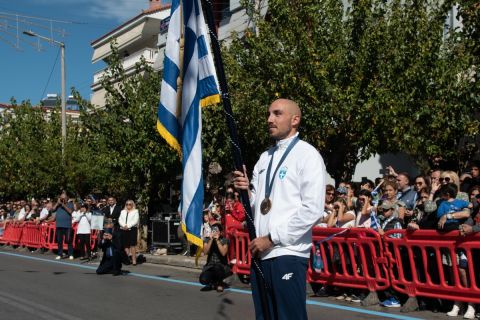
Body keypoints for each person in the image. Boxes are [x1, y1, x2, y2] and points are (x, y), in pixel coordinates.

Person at [234, 99, 326, 320]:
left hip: (288, 253)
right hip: (261, 254)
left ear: (295, 120)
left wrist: (272, 238)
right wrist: (246, 192)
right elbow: (258, 206)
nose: (269, 119)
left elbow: (313, 210)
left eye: (277, 114)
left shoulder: (307, 155)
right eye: (269, 114)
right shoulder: (264, 158)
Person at [199, 223, 230, 292]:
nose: (214, 232)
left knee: (217, 268)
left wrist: (217, 240)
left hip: (222, 265)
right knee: (203, 280)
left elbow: (223, 253)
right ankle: (213, 282)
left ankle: (220, 283)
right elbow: (205, 252)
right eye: (213, 230)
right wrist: (211, 240)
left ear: (221, 232)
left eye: (216, 230)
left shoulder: (225, 240)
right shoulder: (207, 239)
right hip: (210, 265)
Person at [53, 192, 74, 260]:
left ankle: (70, 254)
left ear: (66, 198)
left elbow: (70, 211)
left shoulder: (70, 204)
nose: (62, 199)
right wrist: (57, 203)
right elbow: (52, 210)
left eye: (63, 198)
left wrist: (63, 205)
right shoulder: (58, 205)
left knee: (68, 240)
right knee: (59, 240)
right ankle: (60, 254)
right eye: (61, 198)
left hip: (67, 225)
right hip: (59, 225)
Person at [119, 200, 139, 265]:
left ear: (132, 205)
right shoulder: (122, 211)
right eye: (127, 204)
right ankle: (127, 259)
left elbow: (135, 220)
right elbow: (120, 220)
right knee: (125, 245)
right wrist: (124, 226)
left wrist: (128, 226)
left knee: (132, 245)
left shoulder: (135, 211)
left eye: (130, 204)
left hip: (132, 229)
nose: (128, 205)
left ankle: (134, 259)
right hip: (123, 229)